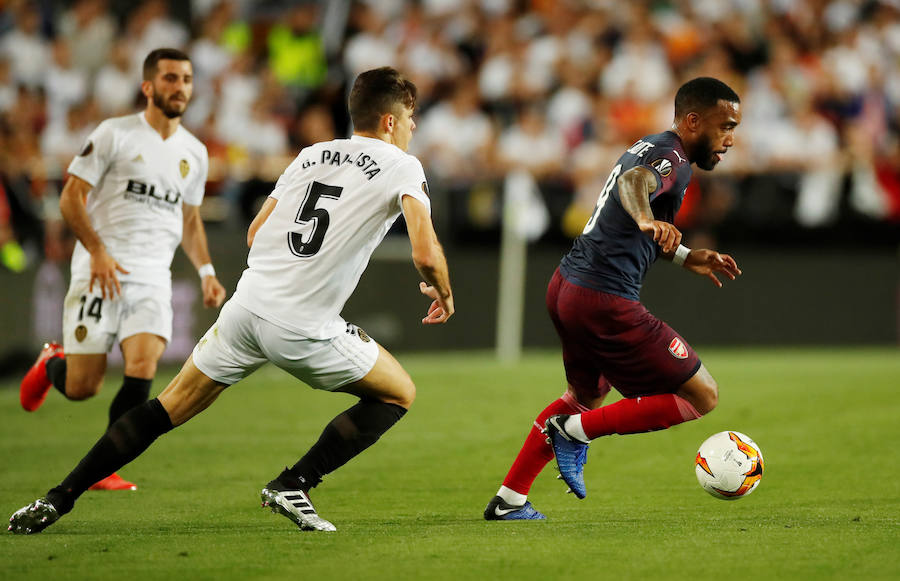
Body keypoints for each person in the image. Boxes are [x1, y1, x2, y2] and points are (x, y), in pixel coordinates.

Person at [9, 66, 454, 534]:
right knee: (399, 391)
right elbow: (424, 251)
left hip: (245, 308)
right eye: (409, 117)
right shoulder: (403, 166)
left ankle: (56, 498)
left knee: (163, 410)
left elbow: (255, 231)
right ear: (388, 121)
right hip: (303, 326)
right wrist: (443, 292)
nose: (412, 127)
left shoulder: (312, 154)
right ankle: (295, 482)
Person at [484, 77, 742, 520]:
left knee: (582, 395)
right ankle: (573, 433)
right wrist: (645, 217)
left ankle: (510, 500)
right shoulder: (672, 158)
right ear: (694, 120)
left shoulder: (652, 144)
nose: (731, 140)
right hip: (603, 298)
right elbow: (634, 183)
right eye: (726, 126)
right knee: (702, 395)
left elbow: (631, 218)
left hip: (567, 286)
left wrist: (684, 256)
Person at [18, 48, 226, 491]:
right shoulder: (115, 135)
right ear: (148, 87)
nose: (180, 87)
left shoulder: (195, 152)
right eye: (170, 78)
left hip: (153, 275)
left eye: (187, 79)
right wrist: (95, 250)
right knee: (83, 387)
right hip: (100, 268)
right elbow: (70, 197)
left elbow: (189, 220)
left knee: (143, 363)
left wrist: (206, 269)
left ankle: (105, 466)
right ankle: (52, 360)